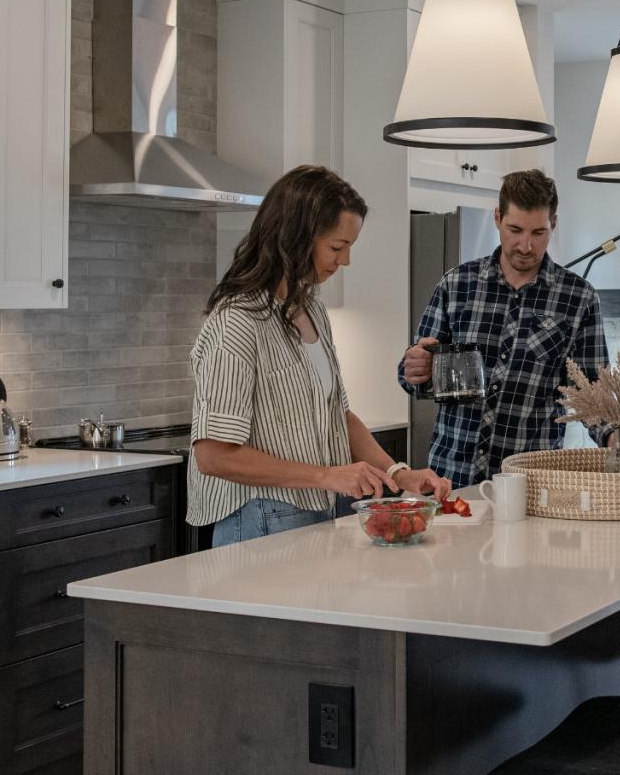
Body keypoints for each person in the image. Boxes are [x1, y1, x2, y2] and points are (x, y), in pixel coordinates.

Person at [188, 165, 450, 547]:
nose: (345, 262)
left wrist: (398, 474)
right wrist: (327, 475)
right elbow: (213, 455)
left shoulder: (311, 309)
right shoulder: (237, 322)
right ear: (295, 239)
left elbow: (338, 417)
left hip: (320, 512)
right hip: (261, 519)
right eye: (336, 247)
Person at [400, 170, 610, 489]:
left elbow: (590, 393)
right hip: (450, 479)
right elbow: (415, 377)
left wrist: (616, 433)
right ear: (498, 218)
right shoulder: (456, 285)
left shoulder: (578, 298)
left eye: (538, 232)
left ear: (554, 224)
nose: (525, 245)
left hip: (530, 484)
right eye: (515, 230)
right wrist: (415, 370)